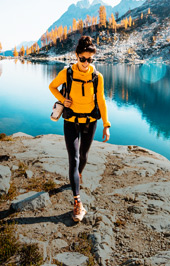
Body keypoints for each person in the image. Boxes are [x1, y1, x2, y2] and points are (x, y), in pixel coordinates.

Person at [49, 35, 111, 222]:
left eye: (89, 59)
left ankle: (77, 176)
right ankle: (77, 202)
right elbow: (52, 86)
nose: (85, 63)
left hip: (90, 122)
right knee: (74, 158)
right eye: (82, 58)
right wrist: (62, 99)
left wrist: (106, 125)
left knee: (83, 156)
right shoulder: (67, 73)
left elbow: (101, 100)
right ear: (76, 56)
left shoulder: (97, 77)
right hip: (71, 122)